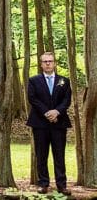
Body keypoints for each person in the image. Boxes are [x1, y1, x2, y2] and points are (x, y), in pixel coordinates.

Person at [27, 52, 72, 194]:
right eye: (45, 61)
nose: (48, 63)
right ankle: (43, 184)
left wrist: (56, 112)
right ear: (41, 64)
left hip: (59, 123)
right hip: (40, 123)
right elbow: (32, 99)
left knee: (59, 154)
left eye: (50, 61)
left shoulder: (64, 81)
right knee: (41, 154)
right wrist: (47, 113)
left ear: (54, 63)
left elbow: (66, 100)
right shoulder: (33, 80)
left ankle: (61, 185)